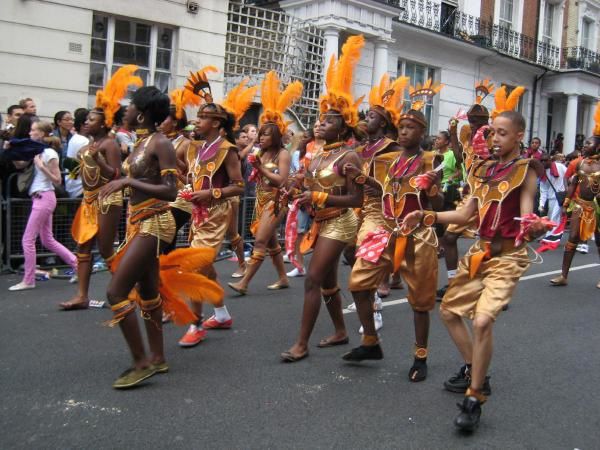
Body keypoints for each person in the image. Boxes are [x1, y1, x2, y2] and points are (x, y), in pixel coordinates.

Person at [403, 100, 550, 431]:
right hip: (479, 254)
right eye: (492, 133)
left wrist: (533, 226)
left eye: (502, 133)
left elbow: (527, 212)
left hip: (508, 257)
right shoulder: (482, 169)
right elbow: (466, 215)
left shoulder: (525, 170)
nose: (495, 139)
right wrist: (427, 216)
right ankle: (475, 369)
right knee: (450, 312)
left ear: (519, 136)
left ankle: (474, 398)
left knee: (482, 320)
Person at [97, 85, 199, 389]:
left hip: (155, 222)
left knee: (116, 293)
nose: (124, 110)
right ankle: (157, 357)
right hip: (139, 221)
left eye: (129, 106)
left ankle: (141, 363)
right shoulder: (141, 143)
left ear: (140, 113)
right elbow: (133, 179)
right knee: (149, 291)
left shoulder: (161, 143)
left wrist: (127, 180)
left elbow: (170, 191)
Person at [343, 78, 444, 385]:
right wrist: (360, 180)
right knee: (358, 284)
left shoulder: (431, 160)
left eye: (410, 127)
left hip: (419, 237)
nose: (403, 131)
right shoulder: (384, 160)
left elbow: (440, 203)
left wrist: (432, 188)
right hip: (385, 231)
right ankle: (371, 342)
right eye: (400, 126)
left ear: (422, 132)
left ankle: (420, 355)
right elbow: (379, 193)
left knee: (420, 302)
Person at [280, 35, 365, 362]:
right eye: (320, 119)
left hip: (341, 222)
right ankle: (342, 331)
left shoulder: (350, 156)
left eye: (329, 121)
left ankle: (301, 344)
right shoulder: (316, 155)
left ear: (343, 129)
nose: (320, 123)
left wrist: (315, 193)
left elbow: (356, 200)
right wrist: (293, 185)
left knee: (313, 279)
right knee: (328, 283)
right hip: (321, 220)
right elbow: (305, 179)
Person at [176, 70, 252, 347]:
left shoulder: (227, 150)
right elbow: (187, 169)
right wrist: (187, 182)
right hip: (198, 215)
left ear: (217, 123)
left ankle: (196, 325)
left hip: (217, 214)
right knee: (207, 270)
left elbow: (239, 186)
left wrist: (210, 192)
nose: (197, 120)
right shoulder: (196, 148)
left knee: (195, 269)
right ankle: (221, 315)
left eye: (202, 117)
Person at [60, 67, 142, 310]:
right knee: (82, 247)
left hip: (108, 199)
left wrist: (99, 161)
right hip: (88, 201)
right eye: (87, 119)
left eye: (92, 119)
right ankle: (81, 296)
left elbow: (116, 175)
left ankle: (132, 290)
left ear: (104, 122)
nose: (86, 122)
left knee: (106, 248)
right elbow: (86, 173)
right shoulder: (88, 146)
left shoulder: (110, 144)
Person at [228, 71, 302, 295]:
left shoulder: (283, 154)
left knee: (260, 242)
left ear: (276, 137)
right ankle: (282, 278)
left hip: (276, 201)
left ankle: (244, 283)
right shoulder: (261, 154)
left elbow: (280, 181)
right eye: (260, 134)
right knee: (271, 243)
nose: (261, 138)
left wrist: (259, 168)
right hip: (260, 200)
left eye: (266, 135)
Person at [438, 80, 496, 300]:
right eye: (470, 121)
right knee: (450, 237)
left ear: (485, 121)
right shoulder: (468, 136)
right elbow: (462, 158)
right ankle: (453, 282)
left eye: (476, 121)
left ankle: (492, 288)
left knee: (489, 243)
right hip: (470, 196)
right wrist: (453, 133)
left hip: (490, 196)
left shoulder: (490, 136)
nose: (472, 125)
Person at [8, 121, 77, 291]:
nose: (30, 133)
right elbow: (20, 164)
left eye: (33, 130)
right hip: (40, 198)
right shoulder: (37, 151)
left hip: (44, 198)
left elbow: (58, 180)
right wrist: (10, 149)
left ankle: (29, 280)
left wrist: (42, 167)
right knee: (47, 240)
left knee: (27, 239)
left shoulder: (49, 152)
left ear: (41, 133)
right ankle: (78, 265)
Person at [550, 119, 600, 288]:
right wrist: (566, 203)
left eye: (588, 143)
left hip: (597, 209)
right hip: (579, 205)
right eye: (585, 143)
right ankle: (563, 275)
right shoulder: (579, 163)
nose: (585, 145)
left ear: (598, 147)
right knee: (572, 239)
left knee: (599, 241)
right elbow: (573, 184)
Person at [537, 152, 567, 251]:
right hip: (551, 199)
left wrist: (568, 193)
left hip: (561, 197)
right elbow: (543, 190)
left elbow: (568, 177)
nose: (544, 162)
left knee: (555, 218)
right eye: (542, 161)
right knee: (551, 218)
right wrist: (541, 204)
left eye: (546, 160)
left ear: (550, 160)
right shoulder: (542, 172)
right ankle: (552, 236)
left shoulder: (560, 167)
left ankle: (550, 238)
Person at [63, 108, 90, 199]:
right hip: (80, 188)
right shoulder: (84, 141)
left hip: (74, 186)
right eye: (91, 121)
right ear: (84, 125)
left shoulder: (75, 138)